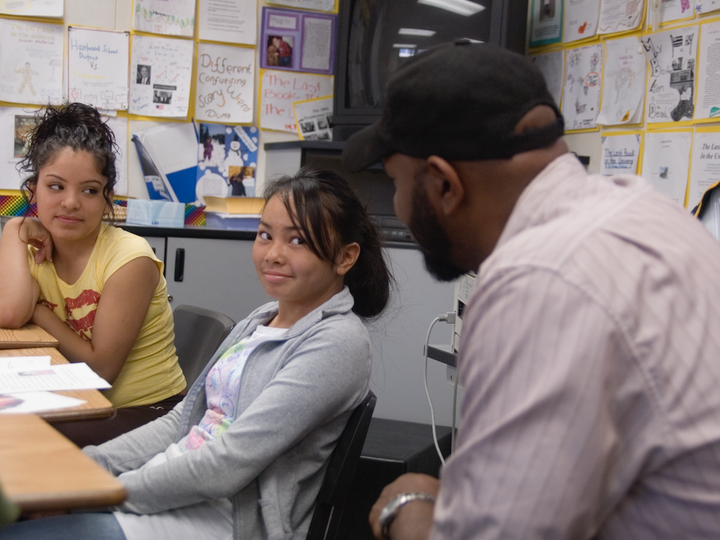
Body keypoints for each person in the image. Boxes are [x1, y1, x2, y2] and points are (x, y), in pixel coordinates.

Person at [342, 40, 720, 539]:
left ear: (444, 185)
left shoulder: (540, 282)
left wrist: (406, 509)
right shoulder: (647, 211)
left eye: (396, 182)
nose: (399, 206)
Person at [1, 167, 392, 540]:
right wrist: (86, 469)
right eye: (264, 235)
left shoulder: (337, 342)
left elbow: (229, 462)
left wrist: (97, 492)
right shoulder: (263, 319)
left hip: (224, 520)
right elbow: (181, 423)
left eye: (297, 241)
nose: (273, 254)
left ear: (345, 257)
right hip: (173, 493)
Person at [0, 103, 186, 447]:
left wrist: (37, 311)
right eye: (56, 186)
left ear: (106, 199)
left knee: (19, 441)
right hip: (76, 399)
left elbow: (100, 372)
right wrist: (13, 229)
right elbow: (9, 314)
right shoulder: (29, 246)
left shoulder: (129, 258)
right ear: (34, 189)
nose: (71, 202)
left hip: (149, 413)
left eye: (89, 190)